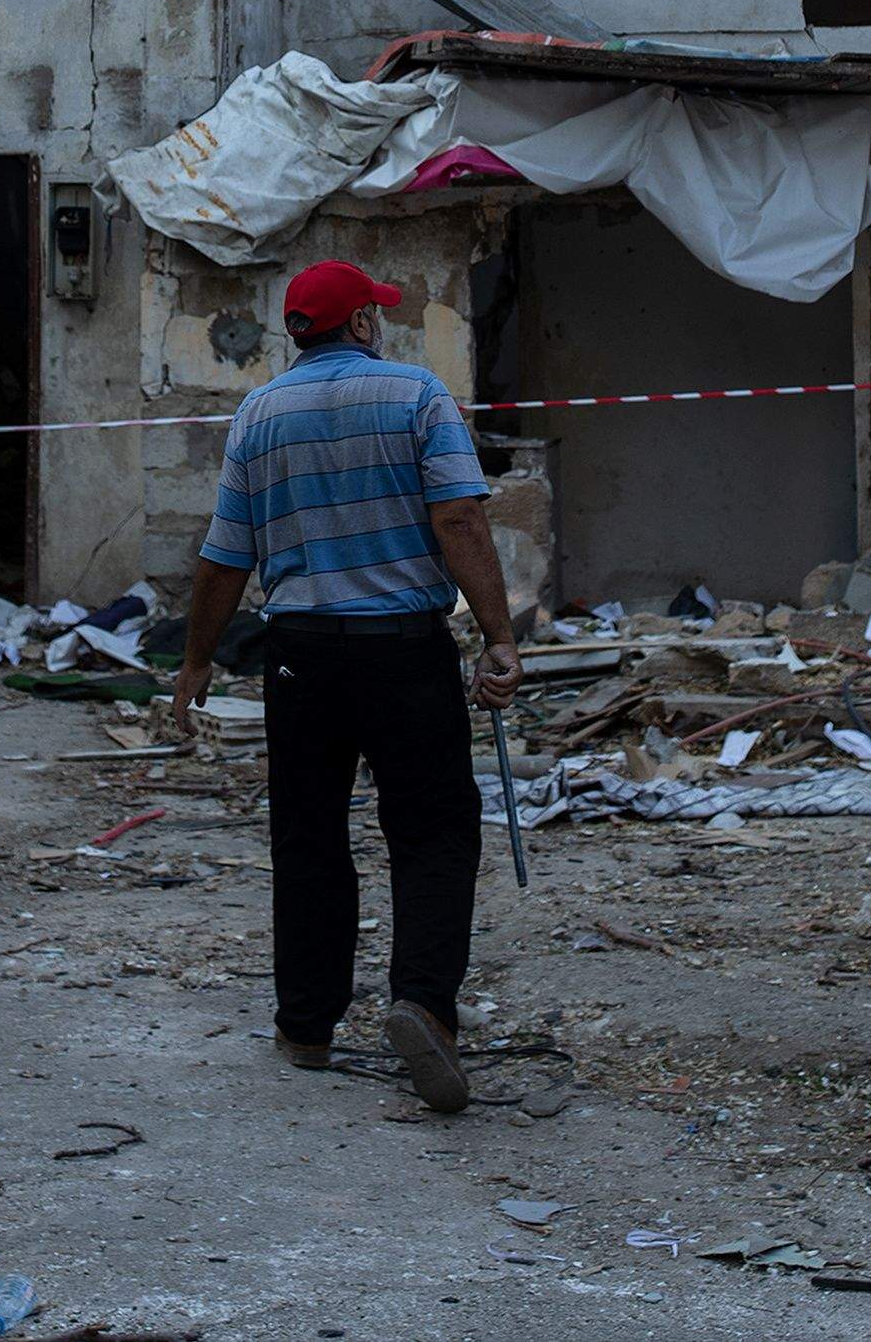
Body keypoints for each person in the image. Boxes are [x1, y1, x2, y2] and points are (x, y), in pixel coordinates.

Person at [169, 258, 521, 1114]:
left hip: (300, 655)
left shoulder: (258, 413)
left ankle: (306, 1024)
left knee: (309, 833)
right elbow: (460, 516)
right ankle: (424, 1007)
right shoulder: (417, 395)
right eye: (378, 313)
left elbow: (225, 554)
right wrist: (500, 635)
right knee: (433, 829)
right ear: (362, 323)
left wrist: (196, 661)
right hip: (403, 648)